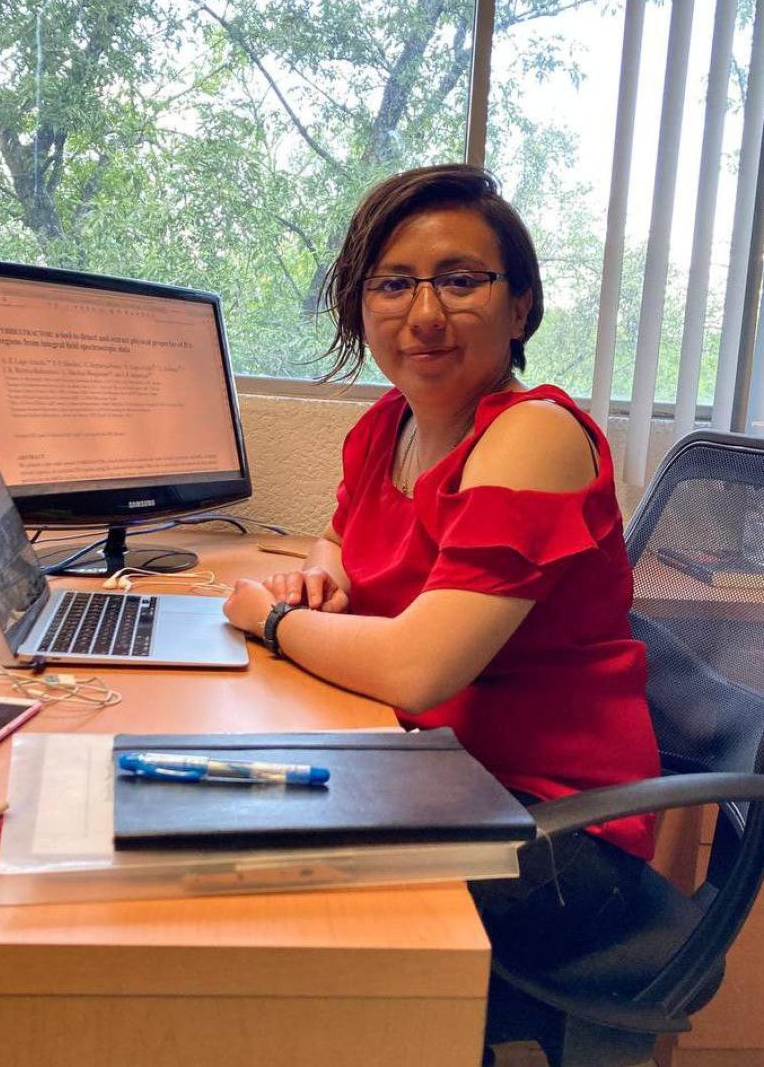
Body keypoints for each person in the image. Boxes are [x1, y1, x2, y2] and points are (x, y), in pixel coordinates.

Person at [223, 163, 660, 967]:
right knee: (215, 820)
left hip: (555, 827)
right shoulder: (388, 424)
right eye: (393, 284)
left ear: (519, 304)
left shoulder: (535, 438)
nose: (424, 314)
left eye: (460, 280)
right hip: (433, 773)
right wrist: (323, 579)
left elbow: (419, 669)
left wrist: (276, 618)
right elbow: (339, 538)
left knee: (260, 900)